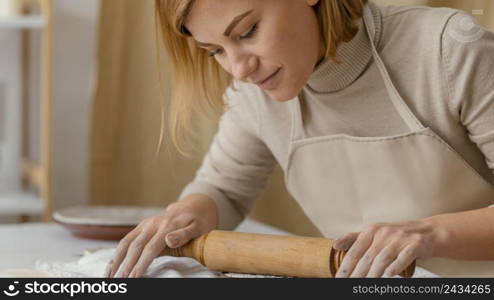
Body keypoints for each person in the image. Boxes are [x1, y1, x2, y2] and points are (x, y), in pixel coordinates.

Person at [106, 0, 494, 278]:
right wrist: (188, 211)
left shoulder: (449, 50)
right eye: (215, 51)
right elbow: (224, 190)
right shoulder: (254, 93)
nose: (239, 68)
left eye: (247, 32)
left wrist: (430, 235)